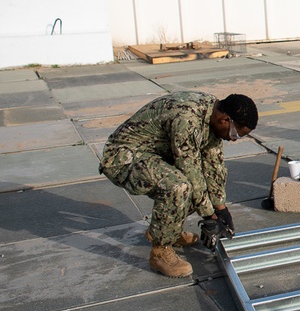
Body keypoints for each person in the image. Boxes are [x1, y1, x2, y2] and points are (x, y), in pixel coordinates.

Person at [99, 91, 258, 277]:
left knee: (197, 189)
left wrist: (221, 209)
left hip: (153, 153)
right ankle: (160, 252)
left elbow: (213, 165)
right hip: (123, 157)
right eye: (234, 134)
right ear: (224, 120)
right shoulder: (187, 120)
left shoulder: (212, 113)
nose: (232, 139)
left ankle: (166, 231)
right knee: (178, 185)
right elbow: (189, 170)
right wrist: (209, 217)